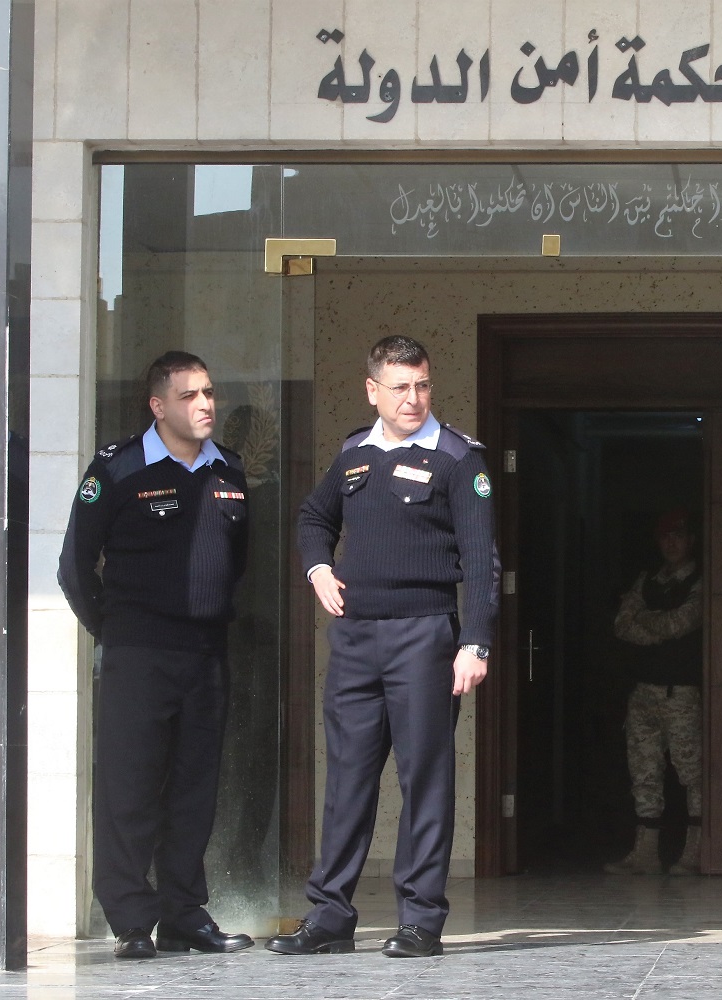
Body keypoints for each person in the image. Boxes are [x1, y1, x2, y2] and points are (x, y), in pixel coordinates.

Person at [268, 335, 498, 960]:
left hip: (423, 636)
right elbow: (314, 518)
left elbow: (482, 559)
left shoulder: (459, 459)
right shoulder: (354, 454)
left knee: (425, 778)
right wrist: (318, 568)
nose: (413, 398)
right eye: (399, 387)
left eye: (422, 385)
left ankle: (420, 920)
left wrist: (476, 642)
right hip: (355, 640)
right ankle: (330, 916)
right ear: (372, 390)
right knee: (347, 777)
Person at [58, 351, 253, 960]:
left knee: (194, 792)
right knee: (130, 789)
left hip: (205, 656)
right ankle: (131, 921)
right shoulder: (117, 468)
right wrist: (114, 631)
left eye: (209, 392)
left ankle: (183, 915)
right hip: (138, 656)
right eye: (190, 395)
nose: (205, 404)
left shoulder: (228, 469)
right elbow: (74, 567)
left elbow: (236, 562)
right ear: (158, 406)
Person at [604, 508, 705, 876]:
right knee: (644, 772)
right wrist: (656, 629)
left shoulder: (700, 580)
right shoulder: (647, 580)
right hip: (644, 691)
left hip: (681, 693)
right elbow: (622, 624)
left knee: (691, 772)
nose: (671, 542)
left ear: (691, 540)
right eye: (665, 536)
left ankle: (696, 851)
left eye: (678, 535)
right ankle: (645, 853)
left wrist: (646, 620)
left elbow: (681, 622)